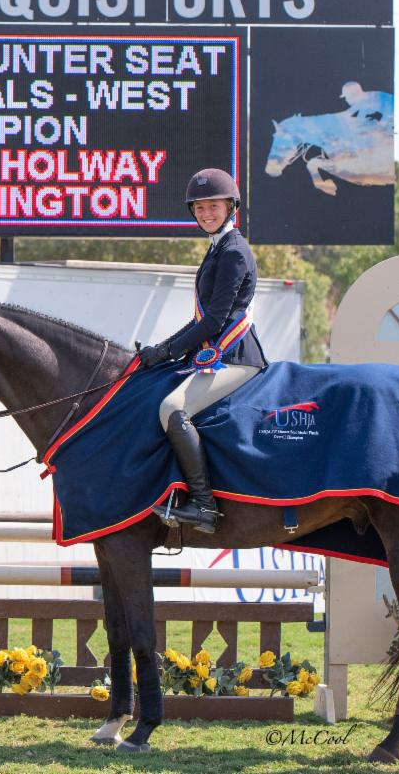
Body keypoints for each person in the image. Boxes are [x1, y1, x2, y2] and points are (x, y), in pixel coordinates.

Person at [137, 168, 268, 532]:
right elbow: (203, 320)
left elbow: (213, 322)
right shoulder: (218, 249)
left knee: (173, 408)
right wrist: (161, 349)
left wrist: (165, 352)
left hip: (238, 356)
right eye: (199, 208)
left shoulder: (234, 252)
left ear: (230, 207)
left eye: (213, 206)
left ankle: (204, 507)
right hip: (219, 352)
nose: (206, 213)